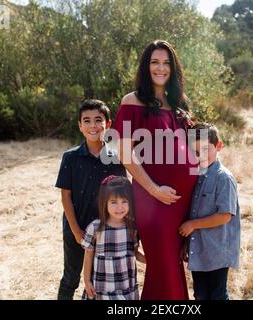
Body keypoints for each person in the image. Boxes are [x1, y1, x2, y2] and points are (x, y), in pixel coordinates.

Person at [112, 39, 198, 300]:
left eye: (166, 63)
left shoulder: (179, 103)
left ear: (173, 68)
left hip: (183, 205)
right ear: (145, 67)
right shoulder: (133, 101)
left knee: (173, 267)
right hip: (154, 201)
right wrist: (153, 189)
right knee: (164, 268)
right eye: (154, 62)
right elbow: (123, 152)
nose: (160, 68)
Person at [55, 99, 126, 300]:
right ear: (80, 126)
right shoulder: (70, 157)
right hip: (75, 228)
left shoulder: (116, 158)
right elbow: (65, 196)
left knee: (99, 280)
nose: (93, 125)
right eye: (86, 121)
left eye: (98, 120)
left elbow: (122, 194)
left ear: (108, 124)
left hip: (105, 232)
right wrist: (77, 231)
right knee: (71, 277)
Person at [179, 122, 241, 300]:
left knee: (217, 295)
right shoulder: (196, 175)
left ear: (219, 146)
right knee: (200, 294)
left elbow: (225, 215)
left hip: (218, 250)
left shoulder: (224, 178)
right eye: (196, 152)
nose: (201, 156)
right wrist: (186, 244)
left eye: (206, 150)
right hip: (198, 249)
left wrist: (192, 225)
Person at [81, 176, 146, 300]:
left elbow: (135, 253)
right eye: (114, 202)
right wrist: (87, 281)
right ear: (105, 202)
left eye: (124, 202)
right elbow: (88, 256)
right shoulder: (95, 227)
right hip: (102, 288)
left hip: (126, 287)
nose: (119, 207)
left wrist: (153, 261)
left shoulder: (132, 227)